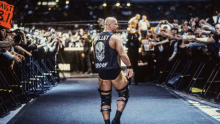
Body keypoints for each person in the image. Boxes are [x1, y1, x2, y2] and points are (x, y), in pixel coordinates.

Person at [93, 17, 133, 124]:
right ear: (109, 25)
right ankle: (116, 119)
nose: (117, 26)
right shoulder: (115, 37)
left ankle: (107, 122)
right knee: (124, 93)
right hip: (114, 70)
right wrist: (129, 67)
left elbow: (94, 55)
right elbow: (122, 54)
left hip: (102, 71)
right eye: (116, 24)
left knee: (105, 98)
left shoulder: (96, 38)